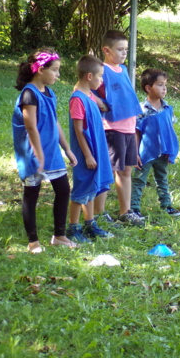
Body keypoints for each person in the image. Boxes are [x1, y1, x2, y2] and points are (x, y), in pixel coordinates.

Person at [12, 48, 78, 253]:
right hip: (33, 153)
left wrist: (66, 148)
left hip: (50, 151)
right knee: (32, 193)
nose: (58, 75)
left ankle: (59, 236)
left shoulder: (49, 93)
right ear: (40, 69)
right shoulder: (29, 94)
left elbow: (54, 122)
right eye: (55, 70)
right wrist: (38, 153)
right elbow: (30, 126)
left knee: (63, 190)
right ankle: (33, 241)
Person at [92, 30, 144, 226]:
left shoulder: (122, 70)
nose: (124, 53)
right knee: (108, 171)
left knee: (126, 171)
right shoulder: (102, 70)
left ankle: (126, 211)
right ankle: (99, 213)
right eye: (120, 49)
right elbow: (83, 91)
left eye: (126, 50)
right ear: (106, 50)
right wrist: (102, 104)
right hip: (112, 128)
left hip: (129, 127)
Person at [67, 55, 115, 243]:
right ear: (89, 76)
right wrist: (87, 155)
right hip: (84, 153)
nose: (101, 80)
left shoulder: (89, 96)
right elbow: (79, 130)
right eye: (99, 77)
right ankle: (73, 227)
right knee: (81, 189)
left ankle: (90, 224)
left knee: (91, 188)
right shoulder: (77, 99)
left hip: (96, 149)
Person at [130, 68, 180, 219]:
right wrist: (135, 153)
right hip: (145, 152)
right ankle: (134, 208)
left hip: (163, 151)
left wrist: (171, 148)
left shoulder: (167, 108)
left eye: (165, 84)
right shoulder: (141, 109)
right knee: (139, 180)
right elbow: (136, 132)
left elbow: (169, 129)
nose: (164, 88)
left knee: (162, 179)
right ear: (148, 88)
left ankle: (166, 205)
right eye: (160, 85)